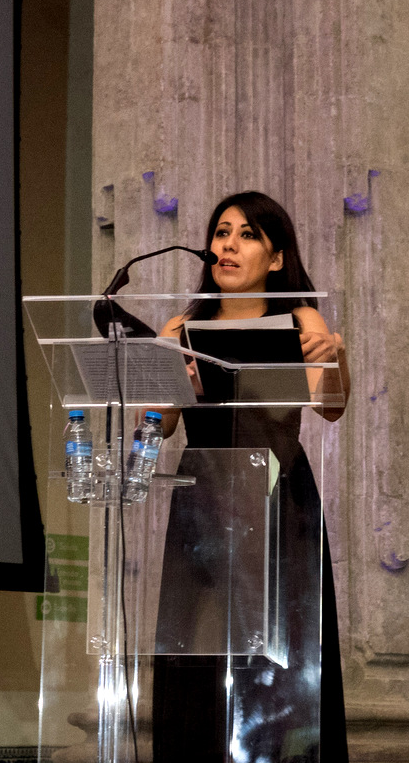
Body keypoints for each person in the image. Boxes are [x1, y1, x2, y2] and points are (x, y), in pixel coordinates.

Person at [149, 191, 350, 761]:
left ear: (277, 257)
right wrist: (169, 382)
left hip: (278, 497)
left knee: (279, 652)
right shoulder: (183, 325)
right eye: (220, 233)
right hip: (202, 500)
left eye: (246, 234)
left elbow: (331, 407)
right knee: (199, 649)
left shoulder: (299, 319)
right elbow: (162, 426)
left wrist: (335, 355)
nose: (228, 245)